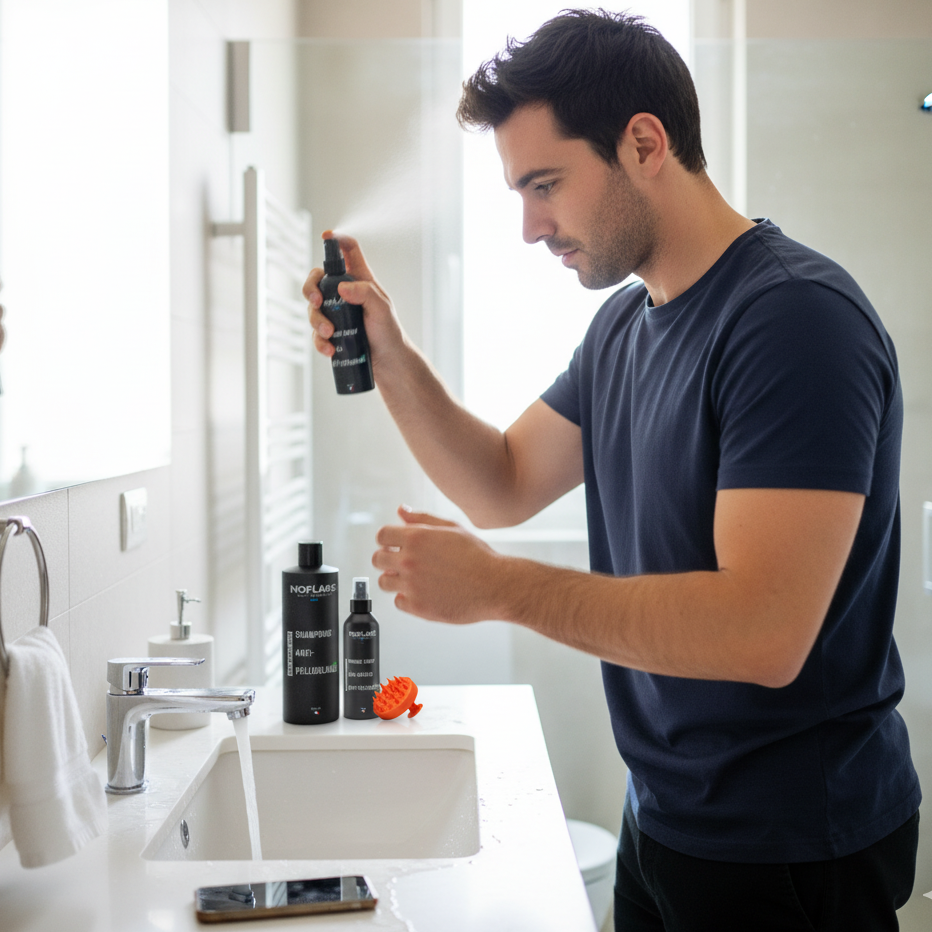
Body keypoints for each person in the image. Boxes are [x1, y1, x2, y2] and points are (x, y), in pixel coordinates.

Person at [303, 10, 919, 931]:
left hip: (793, 845)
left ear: (643, 143)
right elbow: (502, 482)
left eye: (545, 183)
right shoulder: (625, 328)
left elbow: (762, 630)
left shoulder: (794, 322)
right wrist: (387, 350)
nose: (528, 226)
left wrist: (501, 590)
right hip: (667, 817)